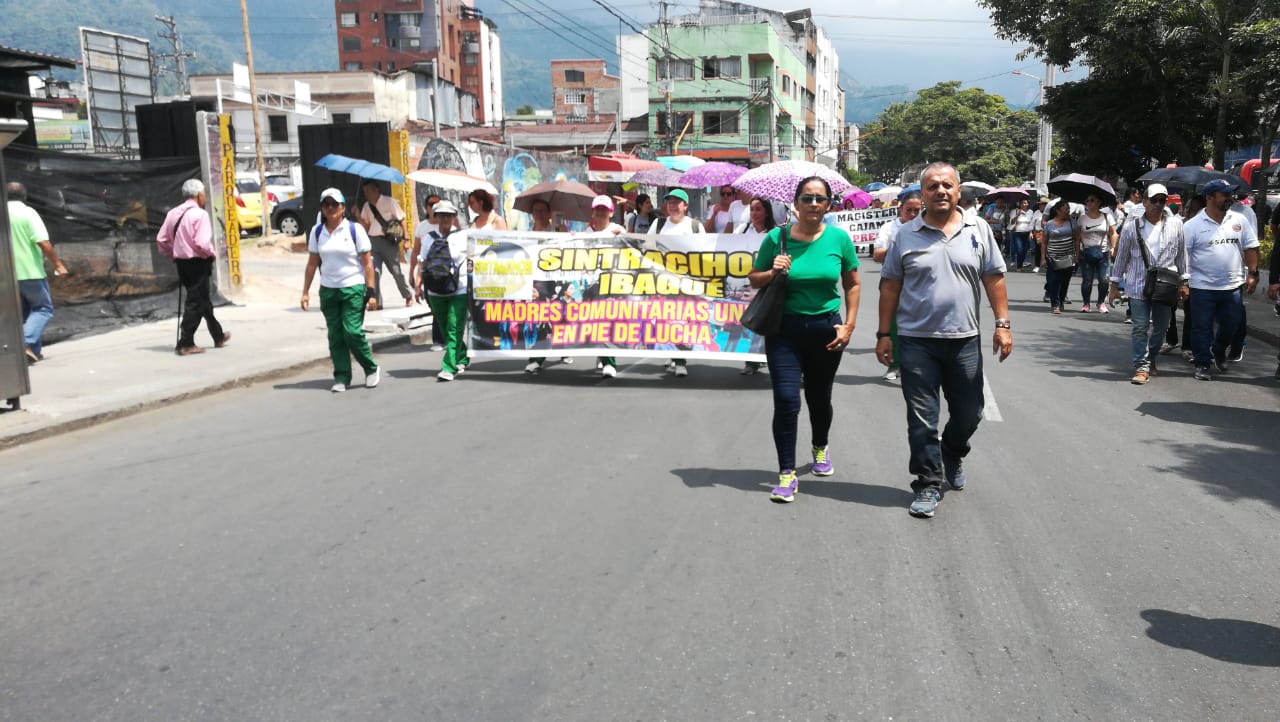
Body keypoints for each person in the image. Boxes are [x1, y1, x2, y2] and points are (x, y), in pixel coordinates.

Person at [877, 162, 1012, 519]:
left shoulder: (978, 229)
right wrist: (882, 334)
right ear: (921, 194)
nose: (940, 191)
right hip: (916, 341)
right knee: (922, 419)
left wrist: (1003, 324)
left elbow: (994, 279)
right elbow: (889, 285)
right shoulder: (905, 234)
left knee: (970, 413)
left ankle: (952, 451)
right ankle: (927, 483)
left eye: (947, 185)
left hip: (964, 340)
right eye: (932, 186)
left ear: (958, 191)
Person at [747, 176, 860, 504]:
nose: (813, 204)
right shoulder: (776, 238)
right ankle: (786, 473)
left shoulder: (839, 239)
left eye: (820, 199)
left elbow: (852, 284)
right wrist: (772, 271)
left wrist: (849, 325)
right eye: (807, 199)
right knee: (786, 400)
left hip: (827, 330)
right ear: (795, 203)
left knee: (819, 397)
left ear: (828, 204)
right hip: (784, 331)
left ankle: (820, 447)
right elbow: (754, 279)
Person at [1107, 183, 1189, 385]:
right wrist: (1114, 286)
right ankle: (1141, 366)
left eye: (1162, 200)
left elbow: (1181, 255)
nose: (1158, 204)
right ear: (1144, 202)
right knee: (1140, 327)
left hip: (1165, 284)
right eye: (1154, 200)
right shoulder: (1131, 226)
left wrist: (1184, 281)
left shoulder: (1176, 225)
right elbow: (1122, 257)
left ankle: (1151, 356)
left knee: (1161, 327)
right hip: (1138, 283)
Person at [300, 188, 380, 392]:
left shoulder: (355, 230)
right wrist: (305, 291)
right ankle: (342, 376)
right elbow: (312, 264)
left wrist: (371, 291)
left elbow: (367, 264)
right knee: (335, 335)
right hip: (329, 290)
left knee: (352, 332)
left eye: (334, 204)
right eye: (326, 204)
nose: (330, 208)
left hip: (352, 287)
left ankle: (370, 368)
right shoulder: (317, 232)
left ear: (343, 207)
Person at [1183, 178, 1260, 380]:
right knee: (1200, 327)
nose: (1229, 198)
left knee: (1232, 324)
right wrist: (1184, 283)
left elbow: (1250, 247)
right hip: (1201, 286)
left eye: (1230, 194)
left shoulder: (1238, 220)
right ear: (1210, 197)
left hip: (1232, 286)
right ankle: (1202, 363)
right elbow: (1183, 257)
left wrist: (1253, 273)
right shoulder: (1192, 226)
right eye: (1224, 195)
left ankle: (1218, 349)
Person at [156, 178, 228, 356]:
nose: (204, 198)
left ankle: (217, 335)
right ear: (198, 195)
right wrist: (210, 254)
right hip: (197, 262)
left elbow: (161, 240)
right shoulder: (200, 215)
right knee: (195, 301)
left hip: (181, 263)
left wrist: (174, 252)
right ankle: (185, 342)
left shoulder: (173, 213)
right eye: (204, 195)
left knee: (202, 298)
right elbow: (202, 243)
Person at [7, 182, 68, 363]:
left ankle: (33, 351)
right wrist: (58, 264)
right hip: (30, 271)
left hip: (7, 275)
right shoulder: (28, 213)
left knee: (25, 313)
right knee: (43, 309)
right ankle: (24, 343)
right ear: (24, 196)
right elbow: (43, 242)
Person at [650, 188, 706, 376]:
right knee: (667, 319)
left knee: (683, 320)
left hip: (687, 283)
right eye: (669, 202)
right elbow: (645, 247)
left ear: (685, 206)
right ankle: (674, 355)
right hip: (663, 281)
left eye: (676, 202)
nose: (672, 206)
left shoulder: (695, 227)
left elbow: (705, 254)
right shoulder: (658, 225)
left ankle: (680, 359)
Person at [872, 190, 923, 381]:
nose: (913, 215)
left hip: (918, 281)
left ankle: (917, 365)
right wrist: (898, 249)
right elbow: (877, 254)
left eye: (917, 210)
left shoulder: (926, 226)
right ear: (900, 209)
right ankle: (894, 365)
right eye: (909, 210)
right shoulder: (889, 228)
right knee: (893, 324)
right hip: (893, 280)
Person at [419, 200, 471, 381]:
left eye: (449, 215)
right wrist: (418, 282)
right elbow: (423, 261)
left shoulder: (463, 236)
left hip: (460, 288)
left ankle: (448, 367)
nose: (445, 219)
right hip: (435, 289)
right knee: (445, 327)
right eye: (441, 215)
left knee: (454, 327)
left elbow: (475, 258)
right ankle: (462, 356)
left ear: (454, 217)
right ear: (436, 217)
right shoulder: (429, 237)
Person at [357, 179, 412, 309]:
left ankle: (407, 295)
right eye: (364, 191)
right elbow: (366, 226)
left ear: (376, 190)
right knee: (374, 272)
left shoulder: (389, 202)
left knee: (396, 271)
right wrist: (358, 216)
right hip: (373, 242)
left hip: (389, 242)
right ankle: (376, 302)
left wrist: (406, 239)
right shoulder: (366, 206)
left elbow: (402, 220)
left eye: (368, 191)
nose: (366, 194)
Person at [1077, 194, 1117, 312]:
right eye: (1087, 201)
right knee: (1087, 280)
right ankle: (1086, 304)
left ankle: (1101, 302)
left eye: (1092, 200)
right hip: (1086, 252)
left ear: (1099, 202)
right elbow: (1077, 237)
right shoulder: (1082, 218)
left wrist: (1113, 247)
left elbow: (1113, 233)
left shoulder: (1107, 217)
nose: (1089, 203)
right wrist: (1077, 254)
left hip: (1103, 252)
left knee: (1104, 279)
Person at [1042, 199, 1080, 314]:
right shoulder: (1049, 224)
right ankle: (1055, 304)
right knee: (1054, 281)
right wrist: (1043, 258)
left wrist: (1077, 255)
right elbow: (1044, 242)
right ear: (1058, 211)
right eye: (1065, 209)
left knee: (1065, 281)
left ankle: (1061, 301)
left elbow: (1077, 240)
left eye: (1068, 209)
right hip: (1052, 257)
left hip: (1068, 257)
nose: (1068, 211)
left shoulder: (1072, 222)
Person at [1008, 198, 1037, 270]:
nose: (1024, 204)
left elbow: (1032, 223)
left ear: (1028, 204)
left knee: (1025, 250)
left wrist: (1031, 232)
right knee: (1019, 249)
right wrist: (1018, 214)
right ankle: (1019, 266)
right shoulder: (1014, 211)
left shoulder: (1030, 212)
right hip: (1017, 233)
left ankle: (1020, 265)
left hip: (1027, 233)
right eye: (1023, 203)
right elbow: (1011, 222)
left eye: (1026, 203)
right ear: (1020, 204)